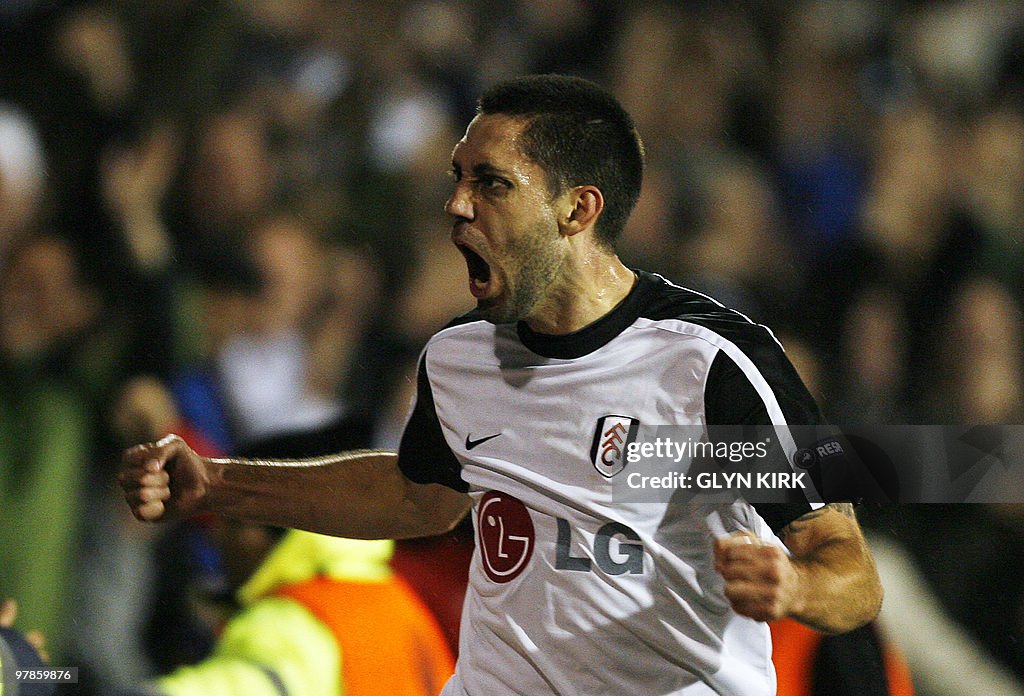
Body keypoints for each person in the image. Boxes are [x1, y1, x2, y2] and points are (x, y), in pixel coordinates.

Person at [121, 74, 884, 696]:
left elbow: (849, 568)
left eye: (491, 184)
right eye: (459, 177)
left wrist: (794, 589)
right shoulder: (458, 359)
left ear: (577, 209)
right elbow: (418, 496)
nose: (456, 204)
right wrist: (215, 485)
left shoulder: (715, 362)